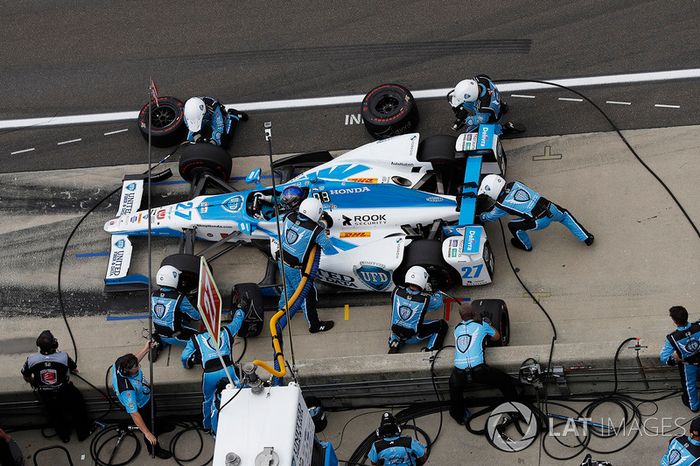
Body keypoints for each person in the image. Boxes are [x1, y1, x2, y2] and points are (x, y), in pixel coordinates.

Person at [478, 174, 594, 251]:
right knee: (564, 215)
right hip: (549, 207)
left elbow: (491, 217)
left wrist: (480, 217)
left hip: (539, 221)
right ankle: (587, 237)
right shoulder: (516, 183)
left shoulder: (501, 205)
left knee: (513, 226)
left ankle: (525, 246)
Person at [449, 303, 518, 424]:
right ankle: (516, 409)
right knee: (505, 381)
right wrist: (489, 324)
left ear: (460, 316)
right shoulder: (482, 324)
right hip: (479, 370)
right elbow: (496, 337)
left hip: (459, 372)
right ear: (474, 314)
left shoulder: (456, 328)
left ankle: (458, 416)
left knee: (454, 387)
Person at [277, 197, 338, 333]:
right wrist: (322, 227)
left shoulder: (289, 216)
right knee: (308, 296)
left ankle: (279, 316)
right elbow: (329, 249)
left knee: (288, 290)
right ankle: (314, 325)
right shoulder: (316, 231)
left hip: (281, 261)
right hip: (296, 269)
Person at [20, 330, 92, 443]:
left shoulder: (31, 360)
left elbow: (26, 375)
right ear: (54, 345)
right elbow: (74, 368)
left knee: (55, 415)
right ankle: (83, 433)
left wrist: (34, 382)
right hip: (65, 391)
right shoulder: (63, 357)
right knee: (78, 409)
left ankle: (64, 436)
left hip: (45, 394)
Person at [181, 307, 245, 431]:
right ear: (218, 323)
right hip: (229, 370)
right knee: (236, 394)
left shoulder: (196, 338)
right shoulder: (226, 331)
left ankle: (207, 426)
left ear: (202, 325)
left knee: (208, 401)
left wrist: (188, 364)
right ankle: (240, 422)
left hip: (209, 375)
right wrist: (240, 309)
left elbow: (184, 357)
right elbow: (237, 322)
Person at [112, 341, 171, 459]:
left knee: (154, 415)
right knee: (149, 426)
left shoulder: (121, 362)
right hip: (141, 406)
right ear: (127, 371)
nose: (138, 367)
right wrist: (147, 433)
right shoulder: (127, 389)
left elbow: (134, 360)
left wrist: (146, 349)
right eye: (136, 367)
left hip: (147, 396)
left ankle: (159, 428)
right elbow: (134, 413)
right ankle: (154, 449)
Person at [388, 266, 447, 354]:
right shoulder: (426, 299)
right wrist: (433, 291)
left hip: (396, 332)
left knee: (404, 324)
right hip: (413, 337)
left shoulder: (396, 291)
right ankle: (430, 350)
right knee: (442, 325)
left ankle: (394, 342)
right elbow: (438, 304)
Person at [151, 265, 201, 360]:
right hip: (176, 336)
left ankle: (159, 342)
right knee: (201, 337)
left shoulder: (153, 294)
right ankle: (192, 356)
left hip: (159, 331)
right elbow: (196, 317)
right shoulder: (179, 298)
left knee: (175, 315)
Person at [449, 75, 520, 134]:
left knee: (470, 131)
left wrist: (466, 120)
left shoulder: (484, 107)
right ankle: (503, 107)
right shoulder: (482, 79)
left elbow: (481, 119)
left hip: (492, 117)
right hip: (495, 103)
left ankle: (502, 129)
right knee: (493, 105)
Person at [661, 306, 700, 412]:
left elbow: (664, 358)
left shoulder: (672, 338)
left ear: (674, 321)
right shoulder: (698, 326)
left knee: (690, 385)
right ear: (687, 316)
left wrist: (676, 360)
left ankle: (694, 406)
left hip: (688, 365)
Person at [183, 96, 248, 148]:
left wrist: (212, 142)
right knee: (189, 140)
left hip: (214, 117)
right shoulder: (186, 110)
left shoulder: (213, 108)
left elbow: (219, 128)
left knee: (224, 142)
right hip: (202, 119)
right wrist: (197, 137)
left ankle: (233, 114)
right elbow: (188, 124)